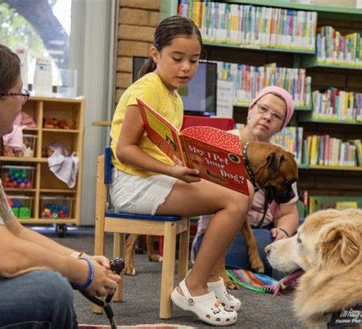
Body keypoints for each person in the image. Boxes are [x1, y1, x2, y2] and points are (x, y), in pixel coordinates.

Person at [0, 38, 120, 329]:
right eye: (19, 91)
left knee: (38, 271)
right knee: (49, 290)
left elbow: (14, 232)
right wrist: (81, 273)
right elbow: (4, 256)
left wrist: (81, 258)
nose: (23, 100)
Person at [109, 16, 254, 326]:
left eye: (194, 60)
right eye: (177, 58)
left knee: (243, 188)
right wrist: (172, 171)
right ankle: (193, 286)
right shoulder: (147, 90)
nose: (186, 67)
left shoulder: (171, 95)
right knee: (235, 200)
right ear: (155, 54)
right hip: (134, 185)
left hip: (156, 178)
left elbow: (162, 146)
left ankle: (211, 278)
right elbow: (125, 150)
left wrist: (189, 164)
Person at [192, 86, 300, 277]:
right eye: (263, 109)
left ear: (282, 125)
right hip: (222, 233)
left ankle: (279, 260)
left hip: (266, 231)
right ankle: (282, 265)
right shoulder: (222, 145)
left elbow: (289, 212)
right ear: (251, 109)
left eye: (276, 116)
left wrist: (283, 232)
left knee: (317, 229)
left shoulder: (283, 159)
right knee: (269, 245)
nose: (267, 117)